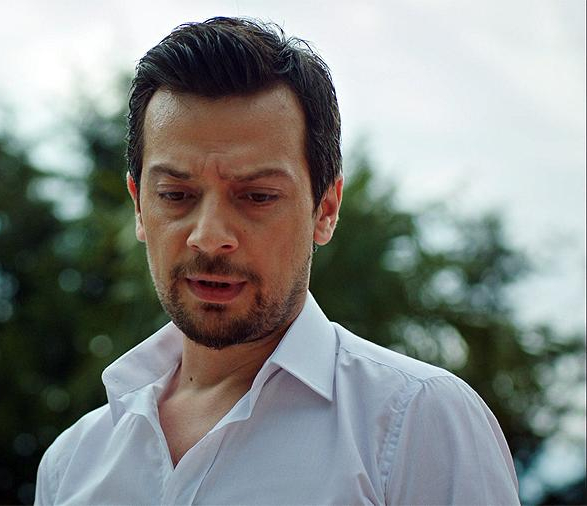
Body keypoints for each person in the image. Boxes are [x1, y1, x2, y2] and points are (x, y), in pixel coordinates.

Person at [35, 17, 519, 505]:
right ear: (139, 207)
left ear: (325, 210)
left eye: (257, 196)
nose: (209, 237)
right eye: (176, 194)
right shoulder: (72, 464)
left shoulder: (417, 420)